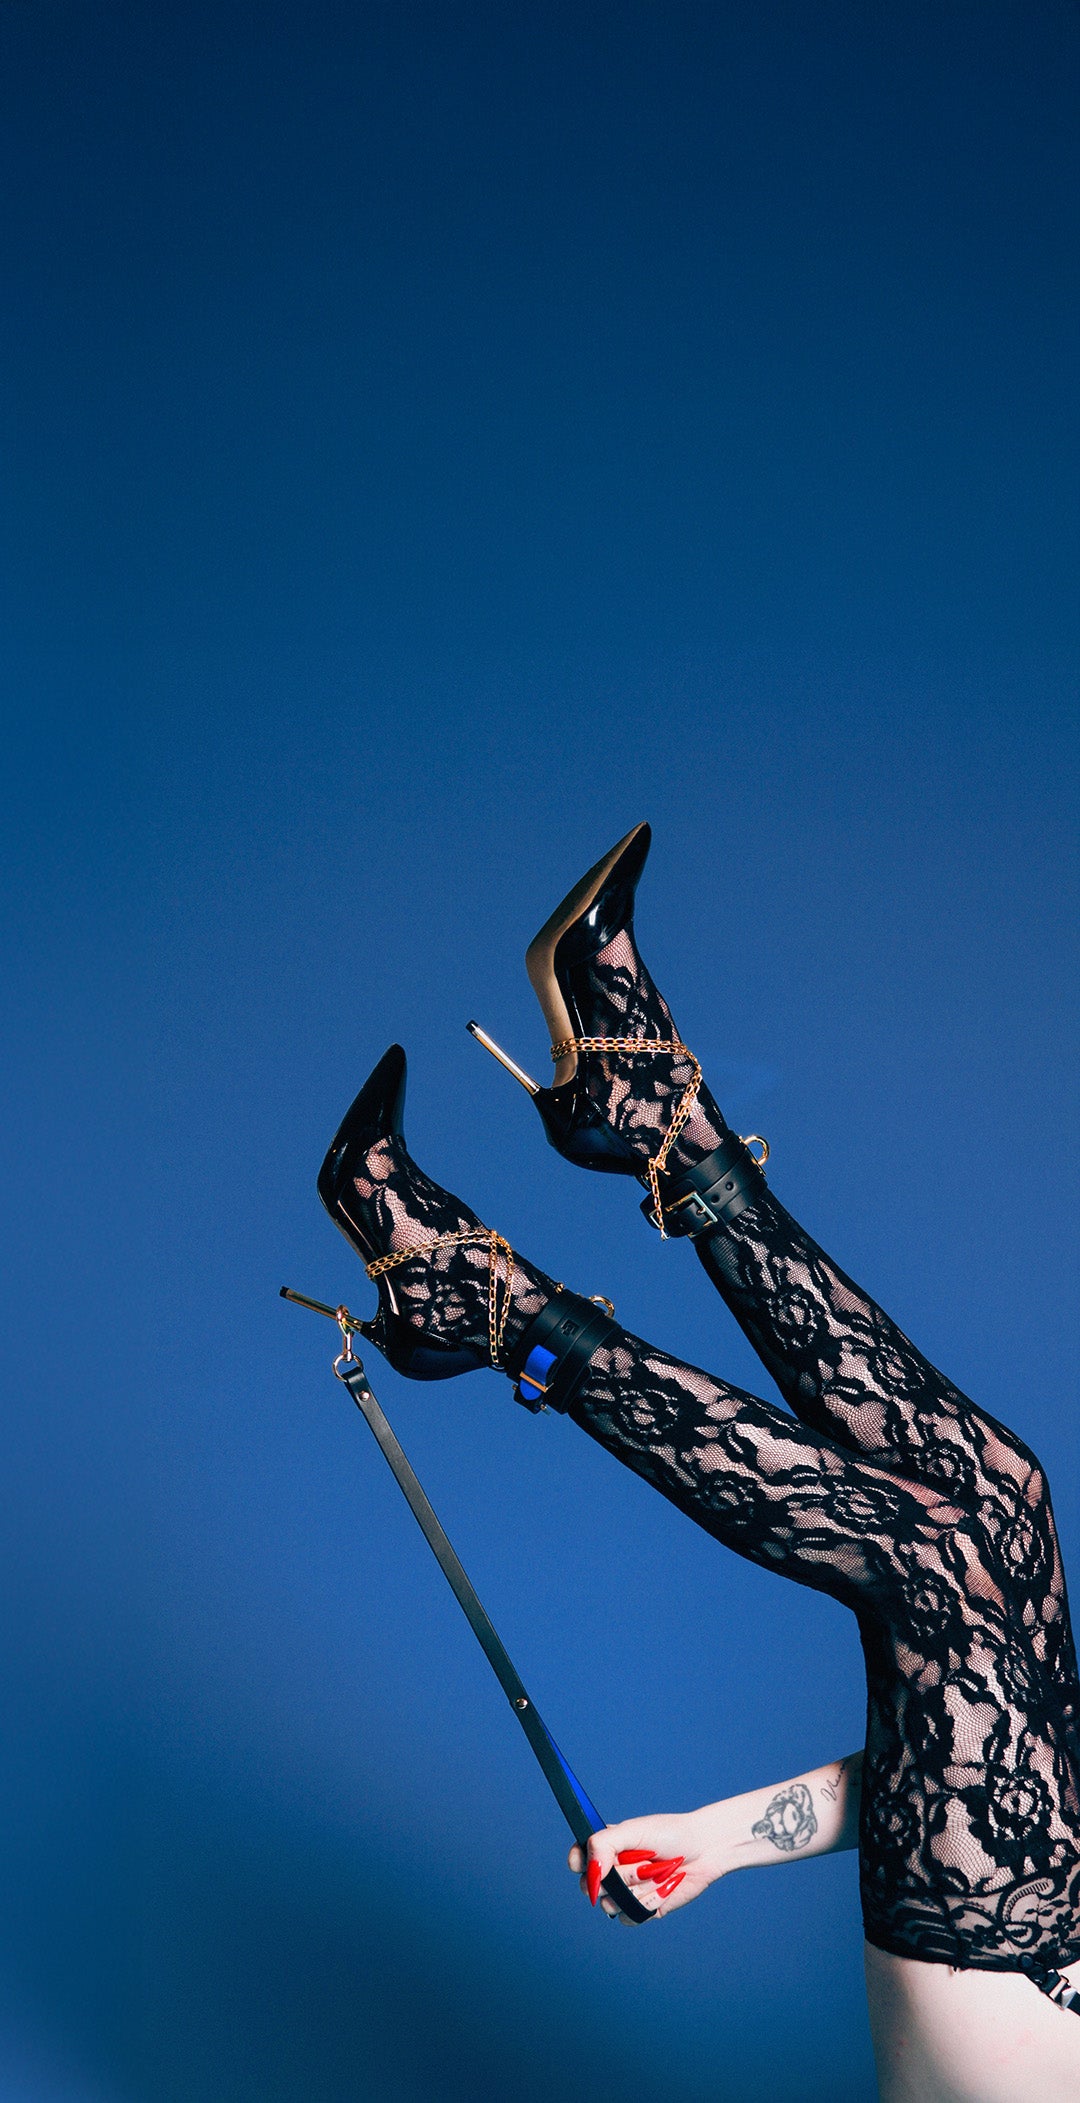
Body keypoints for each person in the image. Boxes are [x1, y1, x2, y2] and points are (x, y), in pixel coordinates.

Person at [317, 824, 1080, 2103]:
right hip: (1035, 1925)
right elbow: (981, 1731)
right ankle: (646, 1128)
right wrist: (717, 1843)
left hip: (1029, 2013)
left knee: (941, 1559)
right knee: (1002, 1499)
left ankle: (490, 1294)